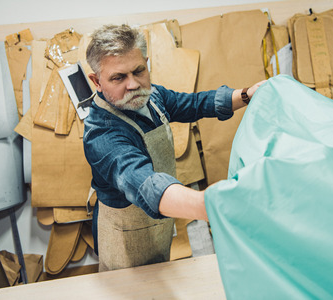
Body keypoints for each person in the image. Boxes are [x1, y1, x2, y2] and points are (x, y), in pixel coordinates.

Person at [83, 24, 264, 272]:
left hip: (157, 226)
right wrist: (212, 205)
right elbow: (143, 182)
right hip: (124, 239)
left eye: (139, 71)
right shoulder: (102, 133)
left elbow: (193, 104)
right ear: (96, 81)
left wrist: (247, 95)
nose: (133, 84)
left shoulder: (152, 97)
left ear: (146, 63)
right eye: (118, 77)